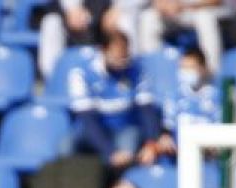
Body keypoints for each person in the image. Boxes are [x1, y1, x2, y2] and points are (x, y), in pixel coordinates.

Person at [68, 30, 165, 170]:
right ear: (103, 50)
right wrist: (110, 151)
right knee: (66, 145)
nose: (122, 62)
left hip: (125, 127)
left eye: (124, 57)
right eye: (117, 57)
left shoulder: (136, 70)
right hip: (94, 127)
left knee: (128, 146)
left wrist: (151, 143)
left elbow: (146, 110)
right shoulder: (82, 73)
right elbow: (87, 119)